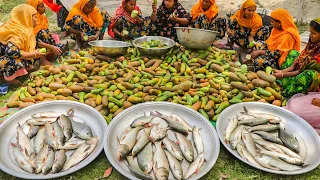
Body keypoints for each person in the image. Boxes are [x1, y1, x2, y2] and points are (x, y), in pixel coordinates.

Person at [272, 18, 320, 98]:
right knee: (292, 53)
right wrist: (281, 71)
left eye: (313, 33)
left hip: (311, 80)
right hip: (298, 73)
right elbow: (297, 63)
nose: (310, 35)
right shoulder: (312, 44)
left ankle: (287, 94)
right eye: (310, 32)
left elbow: (301, 71)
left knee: (309, 74)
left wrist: (283, 75)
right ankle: (285, 84)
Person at [0, 4, 45, 86]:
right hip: (3, 59)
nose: (37, 19)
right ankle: (7, 79)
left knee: (28, 54)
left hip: (4, 57)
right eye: (35, 17)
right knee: (16, 61)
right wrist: (33, 54)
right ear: (26, 17)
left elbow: (34, 42)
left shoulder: (24, 28)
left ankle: (13, 74)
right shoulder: (17, 31)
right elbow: (10, 51)